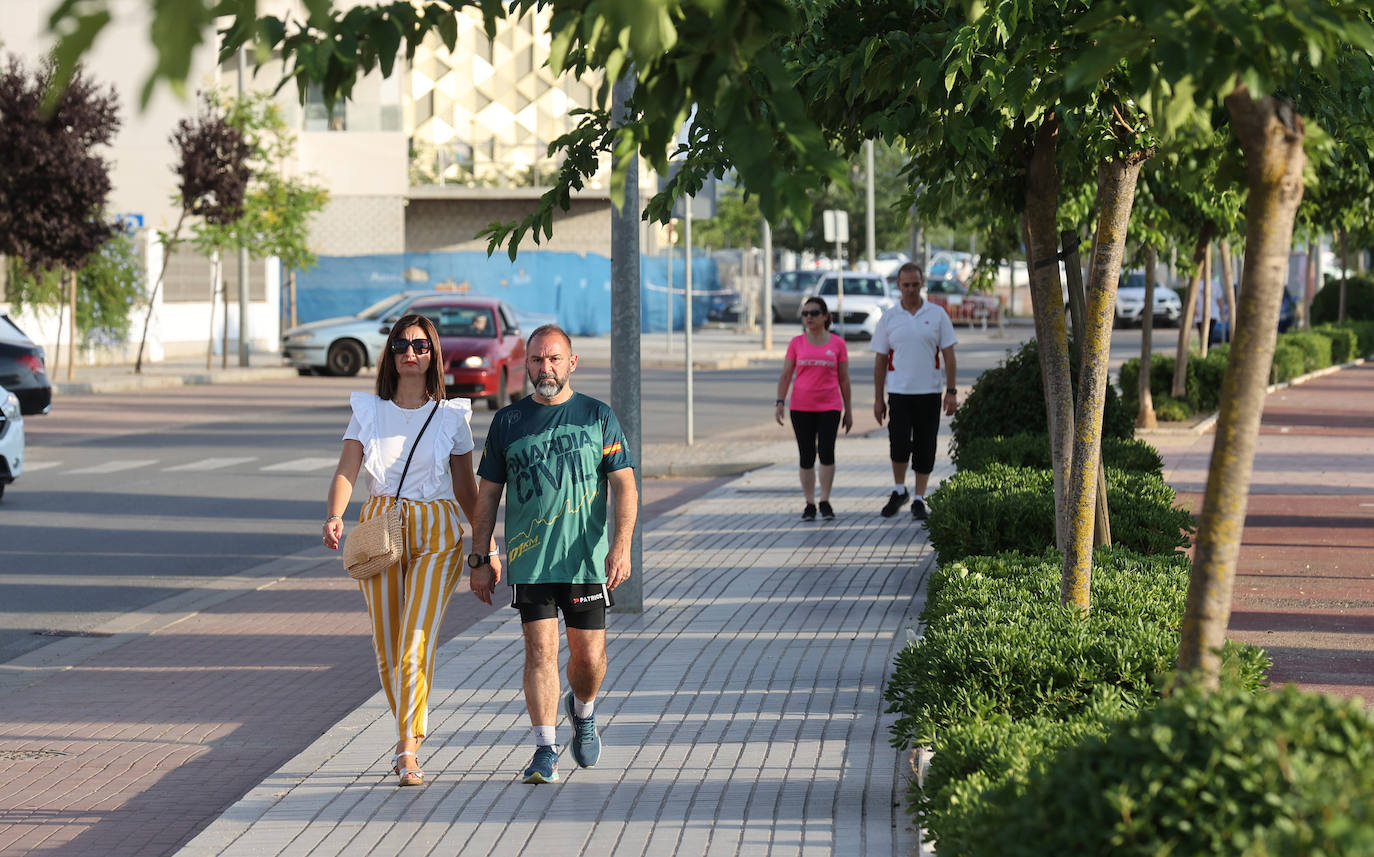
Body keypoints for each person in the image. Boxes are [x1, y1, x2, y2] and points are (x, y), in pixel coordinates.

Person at [321, 313, 493, 787]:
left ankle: (406, 750)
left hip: (437, 530)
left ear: (434, 352)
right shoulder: (369, 411)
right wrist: (335, 514)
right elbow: (347, 470)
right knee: (387, 645)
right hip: (380, 525)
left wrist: (486, 543)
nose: (410, 353)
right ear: (390, 353)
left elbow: (465, 487)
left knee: (416, 640)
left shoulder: (452, 415)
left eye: (419, 345)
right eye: (401, 345)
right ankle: (411, 730)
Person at [468, 324, 638, 784]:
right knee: (540, 651)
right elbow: (487, 496)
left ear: (572, 363)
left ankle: (582, 711)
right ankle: (545, 747)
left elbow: (625, 485)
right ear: (527, 363)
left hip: (586, 561)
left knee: (588, 660)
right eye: (538, 360)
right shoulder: (508, 422)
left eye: (555, 359)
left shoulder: (597, 416)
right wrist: (479, 558)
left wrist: (621, 549)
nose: (546, 368)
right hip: (532, 560)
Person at [871, 262, 959, 520]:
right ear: (898, 286)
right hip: (899, 393)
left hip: (929, 393)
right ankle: (900, 490)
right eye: (905, 285)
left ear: (922, 285)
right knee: (898, 443)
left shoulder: (938, 314)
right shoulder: (889, 317)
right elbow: (879, 360)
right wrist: (878, 398)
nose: (910, 289)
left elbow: (949, 356)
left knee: (925, 446)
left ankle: (919, 497)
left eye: (915, 284)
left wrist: (951, 391)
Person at [775, 296, 853, 520]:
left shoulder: (837, 344)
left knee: (827, 452)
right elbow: (786, 375)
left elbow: (844, 379)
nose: (809, 317)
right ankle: (809, 503)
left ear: (825, 316)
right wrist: (780, 401)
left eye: (814, 313)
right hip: (801, 407)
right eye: (805, 314)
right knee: (806, 455)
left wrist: (848, 410)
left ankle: (825, 500)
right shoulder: (796, 343)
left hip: (830, 406)